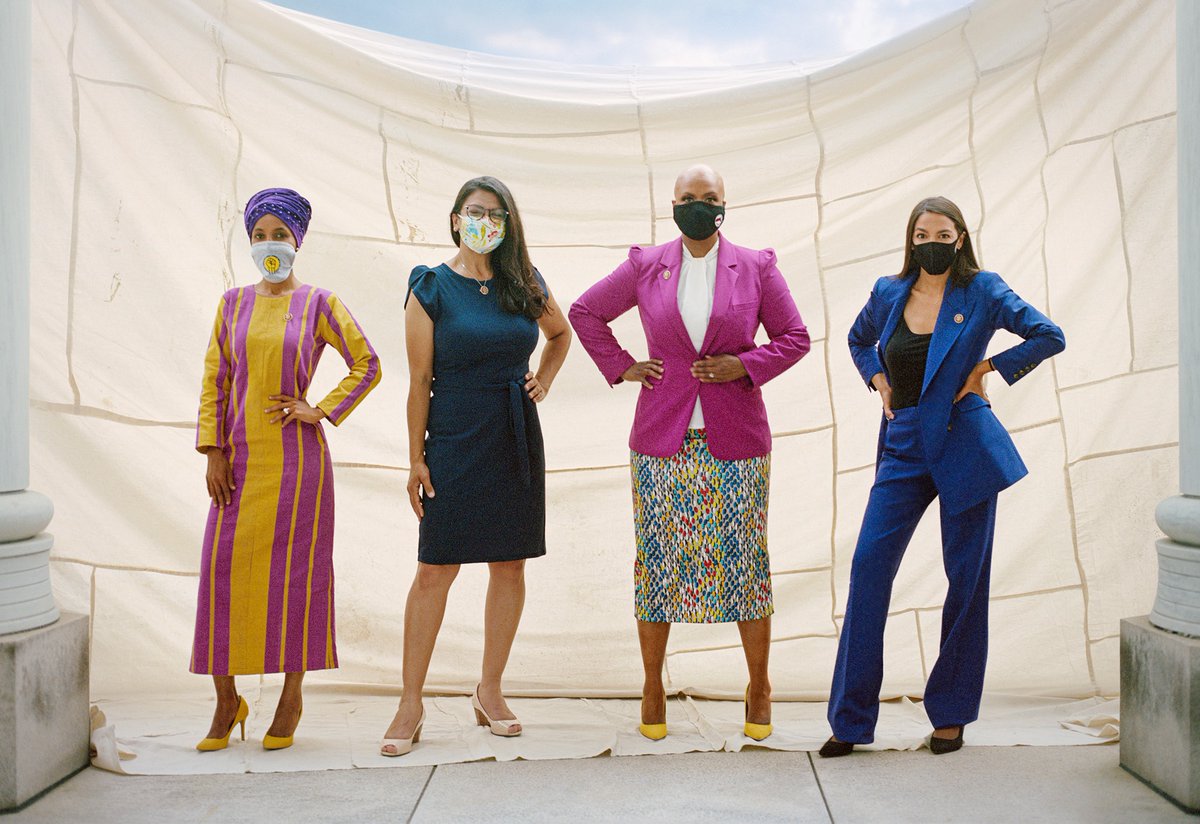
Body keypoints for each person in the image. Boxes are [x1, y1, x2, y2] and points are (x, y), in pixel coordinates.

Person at [569, 164, 810, 742]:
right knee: (657, 562)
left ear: (725, 204)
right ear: (672, 204)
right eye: (687, 198)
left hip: (737, 441)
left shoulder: (756, 266)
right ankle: (652, 685)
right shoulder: (645, 265)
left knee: (745, 561)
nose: (697, 205)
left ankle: (760, 685)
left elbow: (795, 338)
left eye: (709, 197)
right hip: (661, 438)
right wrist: (622, 366)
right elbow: (584, 312)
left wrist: (743, 365)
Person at [820, 196, 1066, 758]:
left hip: (964, 443)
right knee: (868, 568)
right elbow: (858, 340)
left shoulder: (982, 289)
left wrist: (988, 368)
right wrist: (879, 379)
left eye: (942, 234)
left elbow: (1049, 334)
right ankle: (850, 719)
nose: (930, 243)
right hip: (903, 445)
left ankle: (951, 714)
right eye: (921, 234)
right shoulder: (888, 291)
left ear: (960, 239)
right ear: (911, 240)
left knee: (965, 580)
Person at [379, 176, 572, 757]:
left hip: (514, 434)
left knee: (509, 564)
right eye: (474, 211)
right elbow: (418, 380)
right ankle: (410, 702)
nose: (484, 222)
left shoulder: (525, 281)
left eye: (495, 214)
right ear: (455, 219)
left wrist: (544, 379)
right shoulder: (431, 286)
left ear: (508, 225)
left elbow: (560, 336)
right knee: (435, 569)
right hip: (454, 435)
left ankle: (489, 690)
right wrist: (415, 458)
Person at [192, 187, 382, 751]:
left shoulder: (320, 303)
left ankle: (291, 696)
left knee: (297, 576)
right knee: (221, 572)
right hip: (238, 463)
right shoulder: (231, 304)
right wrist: (213, 450)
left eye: (279, 235)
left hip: (299, 467)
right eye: (259, 235)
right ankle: (227, 700)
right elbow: (215, 380)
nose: (269, 244)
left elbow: (367, 363)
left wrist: (319, 408)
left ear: (297, 241)